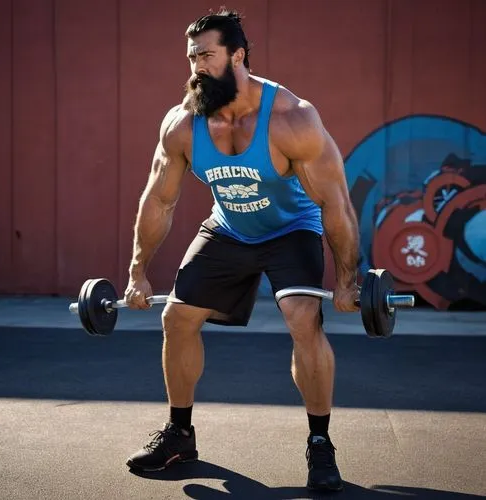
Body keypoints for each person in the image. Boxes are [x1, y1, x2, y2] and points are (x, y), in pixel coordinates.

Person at [124, 8, 359, 492]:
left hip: (292, 229)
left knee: (301, 317)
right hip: (229, 229)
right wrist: (137, 272)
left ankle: (320, 444)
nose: (196, 67)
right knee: (176, 318)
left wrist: (348, 280)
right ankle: (180, 433)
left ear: (238, 56)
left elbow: (335, 202)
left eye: (207, 56)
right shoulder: (183, 124)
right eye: (191, 57)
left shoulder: (292, 117)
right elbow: (159, 201)